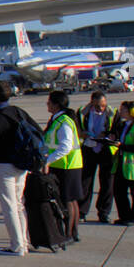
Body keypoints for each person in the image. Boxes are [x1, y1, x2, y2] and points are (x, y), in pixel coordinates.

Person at [0, 81, 33, 256]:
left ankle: (17, 246)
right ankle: (24, 242)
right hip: (21, 165)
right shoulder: (18, 112)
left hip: (3, 165)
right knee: (19, 205)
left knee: (9, 207)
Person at [42, 90, 83, 243]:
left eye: (49, 102)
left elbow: (65, 147)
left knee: (68, 201)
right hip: (67, 165)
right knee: (71, 200)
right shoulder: (58, 120)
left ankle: (69, 234)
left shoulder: (63, 121)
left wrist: (48, 160)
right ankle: (73, 232)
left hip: (66, 166)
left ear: (56, 104)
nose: (47, 104)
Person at [77, 91, 117, 222]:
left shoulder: (112, 113)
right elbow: (76, 128)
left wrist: (109, 135)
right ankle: (82, 211)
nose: (102, 108)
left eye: (104, 105)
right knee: (85, 182)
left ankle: (104, 212)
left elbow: (117, 130)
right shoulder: (82, 113)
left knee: (107, 182)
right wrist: (81, 133)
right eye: (99, 105)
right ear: (92, 102)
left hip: (106, 149)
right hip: (89, 148)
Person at [109, 101, 134, 226]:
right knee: (118, 191)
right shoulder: (122, 125)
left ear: (133, 112)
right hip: (123, 164)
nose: (121, 112)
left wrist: (122, 146)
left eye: (124, 110)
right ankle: (125, 216)